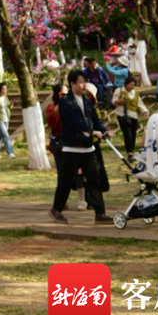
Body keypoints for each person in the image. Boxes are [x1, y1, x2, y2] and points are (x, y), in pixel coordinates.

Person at [49, 69, 113, 225]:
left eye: (85, 82)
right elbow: (73, 122)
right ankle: (56, 210)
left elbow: (95, 119)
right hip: (72, 148)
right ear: (72, 84)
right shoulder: (65, 101)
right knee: (66, 180)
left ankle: (100, 213)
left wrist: (104, 130)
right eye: (81, 82)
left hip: (88, 148)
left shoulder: (86, 101)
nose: (84, 85)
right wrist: (92, 132)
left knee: (94, 180)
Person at [46, 85, 87, 211]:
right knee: (62, 174)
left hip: (74, 142)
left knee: (78, 171)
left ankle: (82, 200)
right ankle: (62, 201)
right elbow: (51, 121)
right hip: (59, 145)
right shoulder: (52, 107)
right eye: (63, 94)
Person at [112, 75, 149, 159]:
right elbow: (113, 101)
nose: (132, 87)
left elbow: (140, 104)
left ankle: (131, 150)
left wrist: (145, 112)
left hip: (133, 116)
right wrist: (120, 101)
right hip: (123, 115)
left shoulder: (135, 93)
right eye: (130, 85)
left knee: (133, 134)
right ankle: (130, 153)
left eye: (133, 85)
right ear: (126, 84)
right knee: (127, 134)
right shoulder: (119, 91)